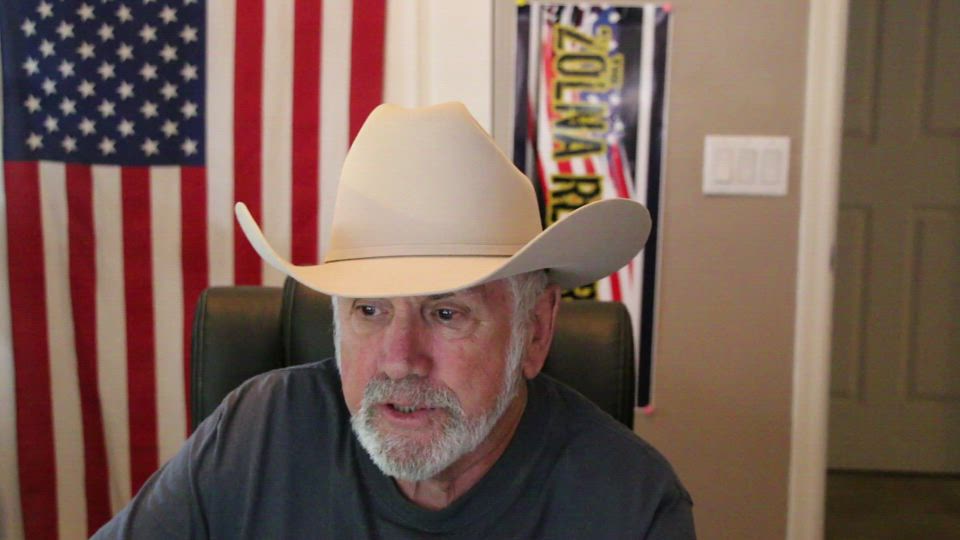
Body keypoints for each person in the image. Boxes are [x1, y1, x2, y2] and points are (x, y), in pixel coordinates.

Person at [93, 102, 695, 538]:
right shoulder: (256, 433)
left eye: (446, 312)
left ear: (535, 330)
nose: (401, 358)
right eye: (369, 309)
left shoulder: (631, 504)